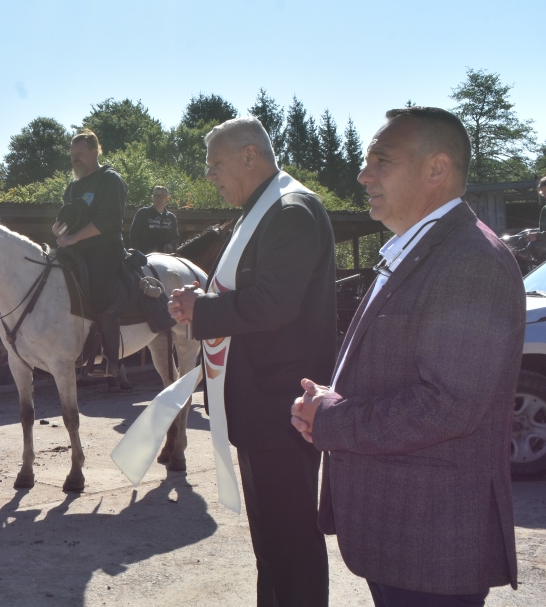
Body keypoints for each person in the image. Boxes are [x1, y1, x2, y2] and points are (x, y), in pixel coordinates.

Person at [291, 107, 520, 606]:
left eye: (381, 161)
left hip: (432, 547)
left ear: (436, 170)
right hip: (406, 537)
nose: (362, 174)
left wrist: (332, 419)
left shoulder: (470, 261)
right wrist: (334, 396)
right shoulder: (420, 250)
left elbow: (450, 404)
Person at [168, 116, 336, 606]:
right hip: (259, 404)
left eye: (214, 164)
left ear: (249, 156)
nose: (208, 176)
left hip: (280, 408)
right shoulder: (261, 209)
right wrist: (203, 301)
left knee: (291, 544)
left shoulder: (290, 210)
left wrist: (205, 310)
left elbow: (275, 303)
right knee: (273, 547)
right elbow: (248, 292)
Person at [58, 129, 128, 378]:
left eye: (80, 154)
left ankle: (111, 360)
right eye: (72, 155)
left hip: (104, 250)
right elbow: (66, 219)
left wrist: (73, 237)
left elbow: (108, 220)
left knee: (100, 295)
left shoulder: (110, 180)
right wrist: (58, 229)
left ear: (96, 151)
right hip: (75, 250)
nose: (75, 159)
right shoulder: (73, 187)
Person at [129, 185, 180, 254]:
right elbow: (134, 236)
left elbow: (175, 237)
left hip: (166, 257)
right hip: (146, 257)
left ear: (167, 198)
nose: (159, 198)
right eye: (156, 196)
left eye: (162, 196)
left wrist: (171, 246)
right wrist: (146, 250)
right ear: (152, 197)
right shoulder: (143, 213)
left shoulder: (171, 217)